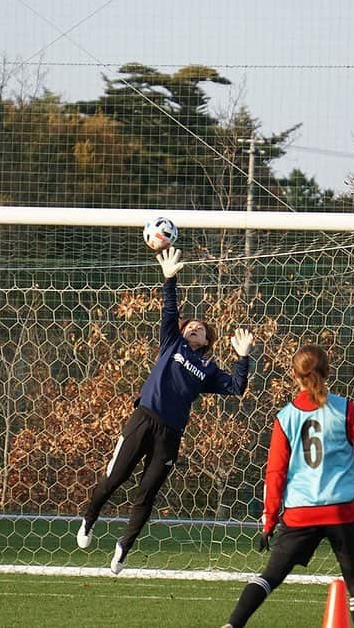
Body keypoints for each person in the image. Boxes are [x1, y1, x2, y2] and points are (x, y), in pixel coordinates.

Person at [76, 246, 254, 575]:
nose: (194, 328)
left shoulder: (208, 369)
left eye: (200, 329)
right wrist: (169, 278)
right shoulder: (171, 342)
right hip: (143, 419)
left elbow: (236, 388)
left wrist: (243, 358)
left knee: (147, 493)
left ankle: (123, 548)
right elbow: (170, 311)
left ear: (206, 340)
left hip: (170, 435)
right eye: (190, 326)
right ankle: (89, 519)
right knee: (115, 477)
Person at [222, 344, 354, 628]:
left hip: (300, 513)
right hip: (342, 511)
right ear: (328, 372)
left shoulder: (285, 417)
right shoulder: (345, 409)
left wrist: (268, 522)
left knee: (270, 576)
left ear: (295, 376)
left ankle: (232, 625)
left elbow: (275, 473)